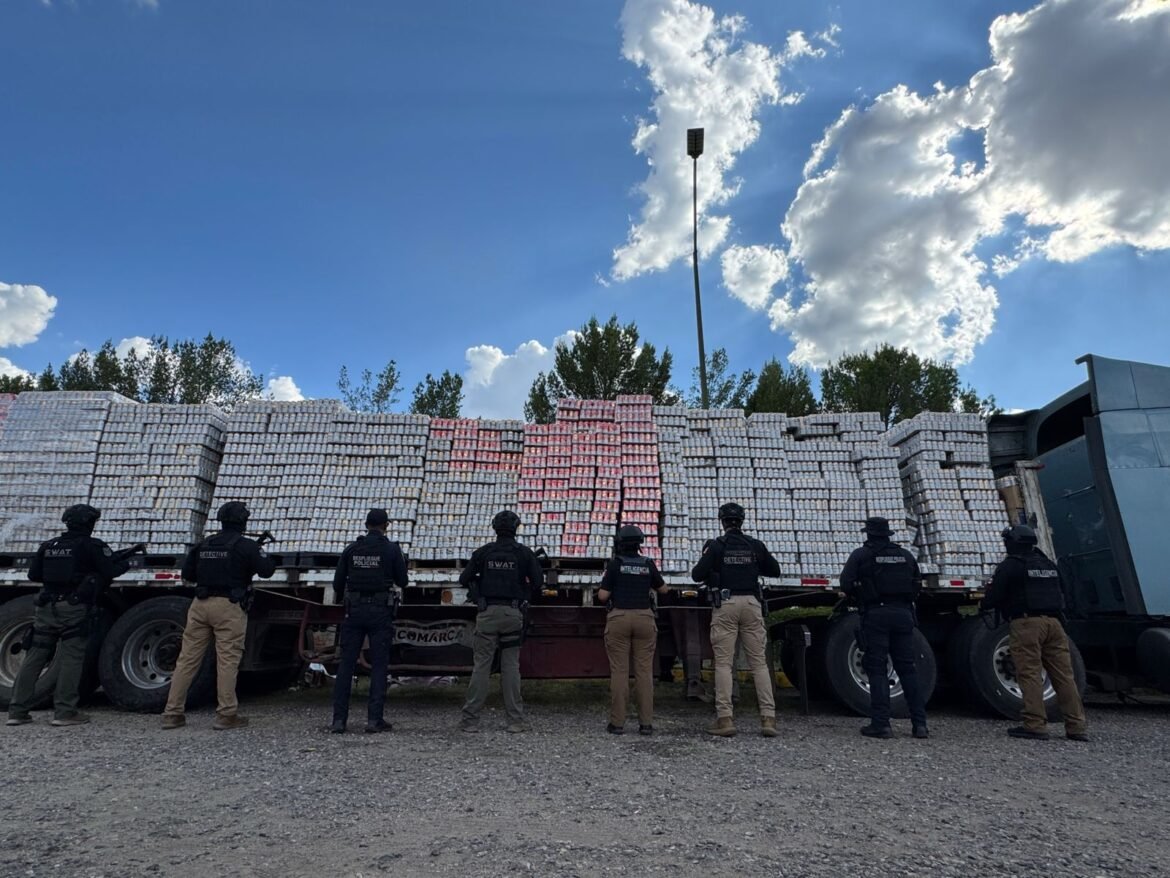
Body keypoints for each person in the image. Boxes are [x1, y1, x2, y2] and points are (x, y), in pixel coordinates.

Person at [7, 505, 132, 727]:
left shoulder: (49, 546)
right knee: (71, 658)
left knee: (35, 656)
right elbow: (110, 571)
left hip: (46, 606)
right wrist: (124, 563)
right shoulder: (91, 546)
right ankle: (65, 711)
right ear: (89, 524)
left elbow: (33, 574)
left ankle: (17, 711)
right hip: (72, 607)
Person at [161, 501, 276, 731]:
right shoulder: (246, 546)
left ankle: (172, 714)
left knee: (187, 660)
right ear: (243, 522)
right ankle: (226, 714)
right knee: (227, 661)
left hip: (200, 605)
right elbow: (266, 570)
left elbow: (187, 574)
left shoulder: (204, 545)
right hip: (228, 607)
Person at [982, 525, 1088, 742]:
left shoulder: (1012, 566)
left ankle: (1035, 724)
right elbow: (1064, 591)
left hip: (1027, 624)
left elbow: (995, 595)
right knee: (1064, 676)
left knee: (1029, 673)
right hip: (1054, 624)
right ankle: (1076, 726)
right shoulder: (1048, 565)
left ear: (1012, 543)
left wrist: (984, 604)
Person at [691, 502, 781, 738]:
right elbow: (774, 570)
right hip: (752, 604)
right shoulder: (754, 545)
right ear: (742, 521)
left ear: (722, 522)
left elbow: (697, 574)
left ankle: (725, 719)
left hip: (726, 604)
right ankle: (768, 718)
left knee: (723, 663)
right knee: (759, 664)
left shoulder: (717, 546)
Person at [840, 516, 928, 740]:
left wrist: (859, 594)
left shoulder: (862, 555)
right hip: (903, 614)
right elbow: (917, 583)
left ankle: (881, 724)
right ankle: (920, 724)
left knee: (877, 668)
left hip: (876, 614)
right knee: (907, 669)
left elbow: (846, 583)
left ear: (869, 534)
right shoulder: (905, 555)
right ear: (888, 534)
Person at [458, 510, 543, 733]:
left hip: (487, 614)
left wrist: (478, 590)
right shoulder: (523, 553)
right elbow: (538, 582)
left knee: (481, 667)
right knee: (511, 667)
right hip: (513, 614)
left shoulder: (484, 552)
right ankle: (515, 721)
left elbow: (464, 579)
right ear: (516, 528)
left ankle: (470, 721)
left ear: (495, 528)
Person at [330, 508, 408, 734]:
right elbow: (403, 581)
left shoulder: (351, 549)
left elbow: (337, 584)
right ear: (386, 525)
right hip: (380, 611)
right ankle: (374, 720)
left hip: (353, 611)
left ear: (366, 525)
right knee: (379, 666)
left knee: (346, 665)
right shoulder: (391, 549)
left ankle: (339, 720)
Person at [598, 525, 670, 736]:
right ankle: (646, 724)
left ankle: (617, 723)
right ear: (640, 544)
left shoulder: (615, 565)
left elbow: (603, 596)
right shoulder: (647, 563)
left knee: (619, 672)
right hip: (644, 619)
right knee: (644, 673)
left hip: (619, 618)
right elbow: (663, 589)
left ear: (620, 543)